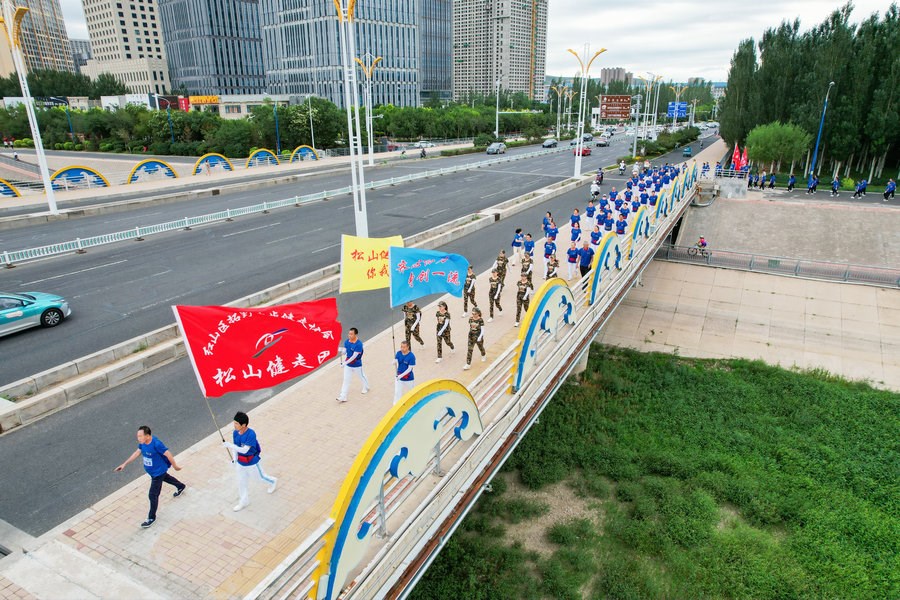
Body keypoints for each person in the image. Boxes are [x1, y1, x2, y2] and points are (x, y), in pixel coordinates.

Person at [115, 425, 185, 528]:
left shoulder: (156, 444)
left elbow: (168, 454)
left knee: (153, 495)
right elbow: (137, 452)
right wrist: (124, 464)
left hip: (158, 473)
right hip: (153, 472)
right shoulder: (142, 443)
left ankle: (151, 518)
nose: (138, 438)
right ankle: (181, 486)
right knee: (166, 478)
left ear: (147, 436)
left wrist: (175, 466)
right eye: (138, 436)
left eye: (140, 436)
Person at [223, 412, 277, 512]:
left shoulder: (251, 434)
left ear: (243, 425)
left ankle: (273, 481)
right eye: (234, 423)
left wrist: (230, 445)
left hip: (252, 463)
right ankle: (244, 501)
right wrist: (234, 459)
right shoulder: (235, 433)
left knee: (260, 478)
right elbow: (236, 448)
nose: (234, 425)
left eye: (236, 423)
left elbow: (244, 450)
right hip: (240, 463)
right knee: (241, 482)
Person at [336, 327, 369, 402]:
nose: (349, 335)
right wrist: (341, 350)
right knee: (346, 380)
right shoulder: (347, 342)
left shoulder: (359, 344)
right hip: (348, 365)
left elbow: (354, 356)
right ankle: (343, 396)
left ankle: (366, 387)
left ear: (355, 335)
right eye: (349, 334)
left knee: (361, 376)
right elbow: (345, 352)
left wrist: (344, 363)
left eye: (351, 334)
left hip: (356, 364)